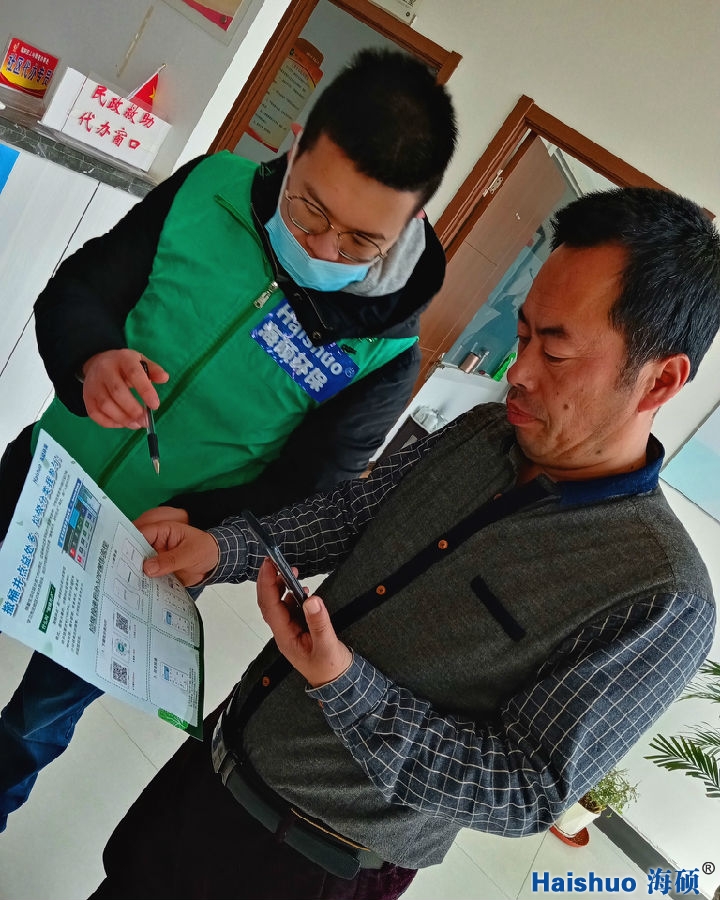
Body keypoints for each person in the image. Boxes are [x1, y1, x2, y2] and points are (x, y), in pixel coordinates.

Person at [88, 185, 720, 900]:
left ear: (660, 380)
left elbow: (523, 786)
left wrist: (342, 683)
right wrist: (222, 547)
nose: (518, 373)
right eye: (522, 336)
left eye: (556, 351)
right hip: (221, 757)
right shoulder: (483, 433)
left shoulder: (659, 592)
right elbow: (356, 515)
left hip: (311, 862)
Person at [0, 48, 458, 832]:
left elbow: (308, 494)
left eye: (361, 242)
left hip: (150, 557)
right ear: (296, 141)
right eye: (310, 211)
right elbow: (81, 288)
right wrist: (91, 357)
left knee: (35, 722)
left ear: (411, 222)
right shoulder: (209, 188)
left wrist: (206, 529)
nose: (324, 249)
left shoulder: (383, 356)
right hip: (46, 473)